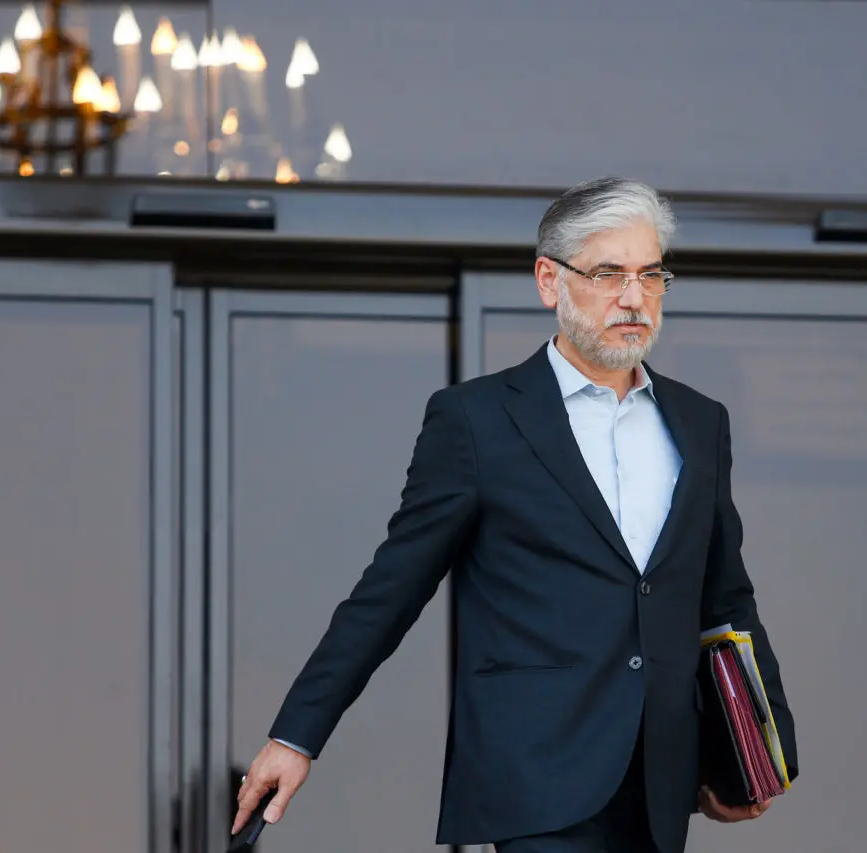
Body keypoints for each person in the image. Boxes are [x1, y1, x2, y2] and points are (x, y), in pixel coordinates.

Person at [232, 176, 799, 853]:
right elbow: (390, 591)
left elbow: (727, 601)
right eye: (608, 274)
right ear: (549, 282)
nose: (633, 297)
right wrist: (297, 735)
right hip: (536, 777)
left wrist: (762, 754)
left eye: (651, 275)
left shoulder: (701, 423)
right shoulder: (477, 421)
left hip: (663, 778)